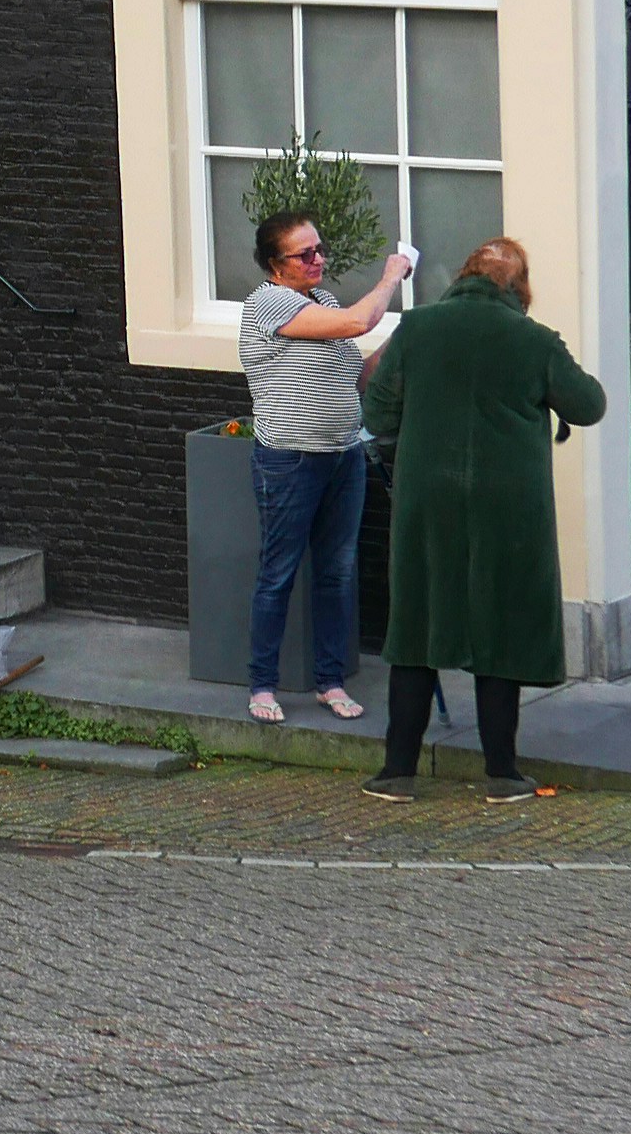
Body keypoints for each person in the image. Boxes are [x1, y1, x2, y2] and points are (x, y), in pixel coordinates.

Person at [357, 235, 607, 803]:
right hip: (509, 505)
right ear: (520, 289)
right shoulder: (534, 340)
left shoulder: (417, 328)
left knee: (418, 626)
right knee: (503, 625)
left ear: (464, 274)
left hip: (428, 499)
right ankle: (501, 773)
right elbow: (589, 405)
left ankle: (397, 771)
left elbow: (377, 410)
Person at [239, 211, 413, 722]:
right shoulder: (268, 303)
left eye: (320, 250)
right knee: (279, 572)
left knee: (338, 572)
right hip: (290, 459)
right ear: (276, 265)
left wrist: (396, 346)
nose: (318, 260)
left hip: (343, 454)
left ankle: (330, 682)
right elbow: (359, 321)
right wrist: (391, 278)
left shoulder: (326, 302)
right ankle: (262, 685)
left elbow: (350, 378)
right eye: (305, 254)